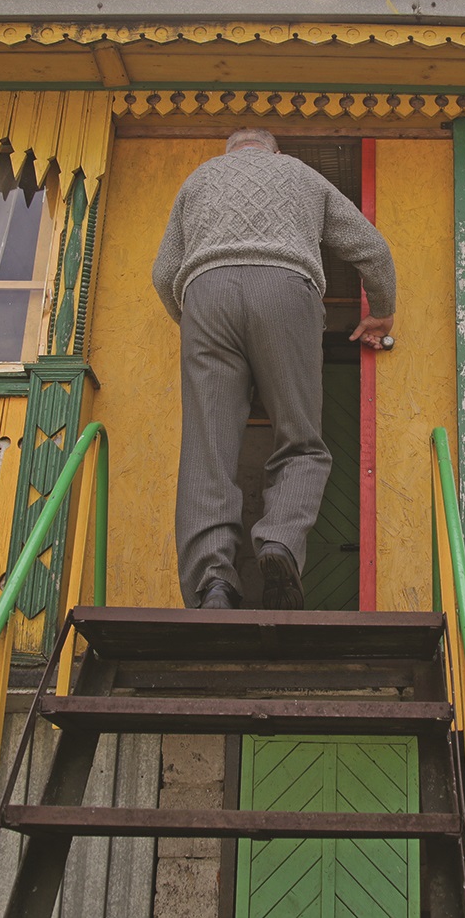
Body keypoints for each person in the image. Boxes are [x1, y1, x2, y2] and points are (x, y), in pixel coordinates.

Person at [152, 129, 395, 610]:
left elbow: (163, 273)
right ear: (275, 151)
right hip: (286, 290)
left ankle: (213, 584)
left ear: (229, 152)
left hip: (205, 294)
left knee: (208, 448)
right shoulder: (300, 173)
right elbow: (373, 249)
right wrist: (382, 309)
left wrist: (194, 322)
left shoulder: (198, 180)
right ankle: (280, 542)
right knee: (301, 439)